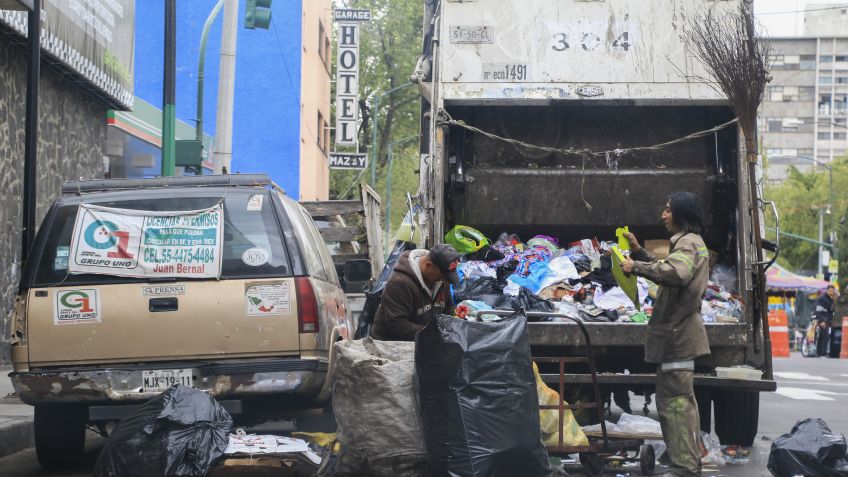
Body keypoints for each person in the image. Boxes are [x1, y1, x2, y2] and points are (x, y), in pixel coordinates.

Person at [621, 192, 710, 477]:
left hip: (678, 337)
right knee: (675, 403)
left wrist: (636, 267)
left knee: (676, 407)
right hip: (679, 337)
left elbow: (676, 273)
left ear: (682, 213)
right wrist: (639, 253)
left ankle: (684, 468)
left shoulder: (688, 242)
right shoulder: (691, 243)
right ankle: (683, 463)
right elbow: (672, 270)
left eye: (668, 210)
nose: (663, 215)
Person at [371, 244, 460, 341]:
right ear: (428, 266)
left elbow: (449, 305)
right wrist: (433, 333)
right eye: (441, 276)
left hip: (423, 338)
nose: (443, 280)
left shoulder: (440, 277)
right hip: (391, 343)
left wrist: (452, 324)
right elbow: (396, 325)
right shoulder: (399, 283)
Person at [814, 285, 836, 357]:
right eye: (830, 291)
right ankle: (823, 353)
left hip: (829, 320)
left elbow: (831, 310)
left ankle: (819, 352)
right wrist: (821, 321)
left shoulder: (832, 300)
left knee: (822, 336)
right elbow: (818, 311)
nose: (831, 292)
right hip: (823, 320)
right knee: (825, 336)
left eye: (832, 291)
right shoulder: (822, 299)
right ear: (827, 290)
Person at [830, 285, 848, 357]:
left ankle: (833, 354)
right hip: (845, 324)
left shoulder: (837, 299)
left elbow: (832, 309)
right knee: (844, 341)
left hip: (836, 323)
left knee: (835, 340)